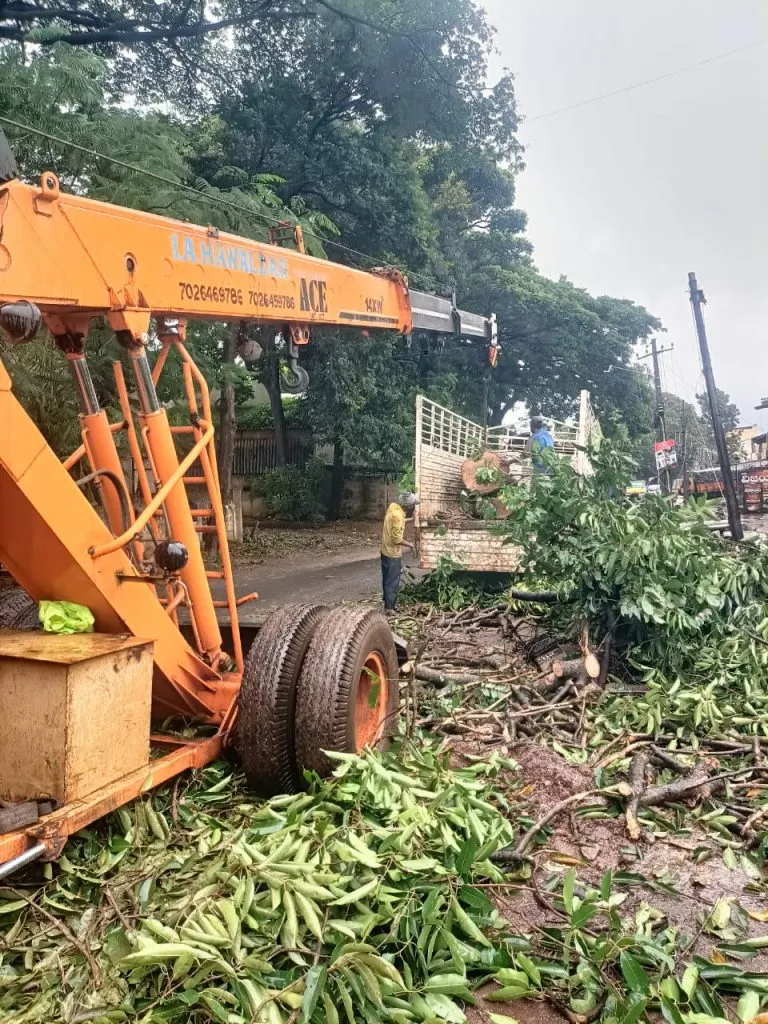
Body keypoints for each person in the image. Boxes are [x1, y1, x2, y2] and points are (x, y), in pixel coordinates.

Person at [381, 492, 419, 612]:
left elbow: (397, 520)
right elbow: (396, 539)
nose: (413, 507)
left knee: (387, 578)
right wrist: (411, 545)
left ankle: (388, 603)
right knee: (393, 580)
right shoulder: (398, 516)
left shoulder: (393, 507)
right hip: (392, 552)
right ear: (408, 506)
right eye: (413, 505)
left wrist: (411, 519)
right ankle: (389, 608)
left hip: (385, 550)